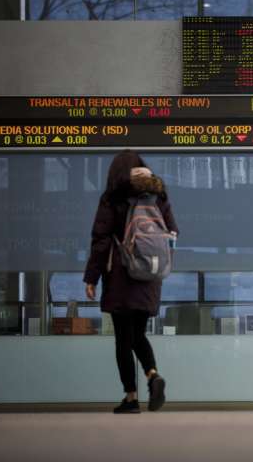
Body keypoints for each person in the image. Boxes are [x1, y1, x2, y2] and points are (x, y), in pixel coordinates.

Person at [84, 149, 179, 414]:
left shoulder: (114, 197)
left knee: (123, 340)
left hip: (120, 277)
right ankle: (152, 375)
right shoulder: (158, 197)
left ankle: (131, 398)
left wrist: (91, 277)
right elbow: (173, 233)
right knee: (138, 334)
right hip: (150, 276)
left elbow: (101, 240)